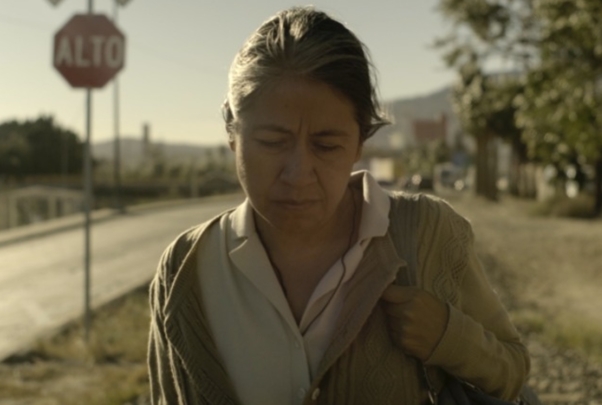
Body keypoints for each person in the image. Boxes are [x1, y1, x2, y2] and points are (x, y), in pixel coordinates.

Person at [147, 6, 530, 405]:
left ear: (360, 142)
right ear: (232, 134)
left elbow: (514, 371)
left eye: (327, 145)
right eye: (272, 142)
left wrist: (448, 338)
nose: (298, 173)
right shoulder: (184, 270)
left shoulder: (427, 233)